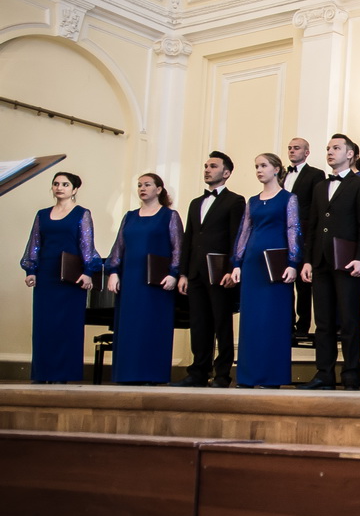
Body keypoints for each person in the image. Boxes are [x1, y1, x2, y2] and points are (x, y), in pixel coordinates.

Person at [299, 134, 360, 390]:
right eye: (328, 148)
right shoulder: (320, 186)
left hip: (347, 261)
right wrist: (308, 260)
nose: (330, 152)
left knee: (349, 320)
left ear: (351, 153)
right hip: (320, 261)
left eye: (336, 148)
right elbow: (313, 226)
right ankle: (324, 374)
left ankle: (351, 374)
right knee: (322, 321)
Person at [227, 153, 300, 388]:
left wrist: (293, 263)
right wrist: (236, 263)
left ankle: (272, 377)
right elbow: (244, 232)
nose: (259, 170)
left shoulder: (288, 198)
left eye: (264, 165)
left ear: (277, 169)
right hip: (252, 265)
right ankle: (248, 377)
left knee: (273, 320)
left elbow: (293, 230)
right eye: (256, 166)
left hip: (275, 266)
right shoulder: (252, 201)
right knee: (251, 321)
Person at [21, 171, 101, 383]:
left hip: (70, 278)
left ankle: (63, 375)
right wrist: (31, 270)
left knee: (67, 326)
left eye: (65, 184)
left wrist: (88, 272)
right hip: (46, 276)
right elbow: (34, 244)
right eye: (56, 184)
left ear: (74, 190)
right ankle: (43, 374)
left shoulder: (82, 213)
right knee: (44, 326)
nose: (59, 187)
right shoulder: (42, 214)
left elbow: (87, 245)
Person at [174, 151, 245, 388]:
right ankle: (197, 372)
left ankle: (222, 374)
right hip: (195, 273)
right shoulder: (196, 203)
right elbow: (188, 238)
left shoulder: (235, 201)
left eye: (213, 166)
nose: (207, 169)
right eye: (205, 166)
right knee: (199, 324)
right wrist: (183, 273)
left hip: (219, 272)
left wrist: (233, 268)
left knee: (222, 324)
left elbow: (237, 237)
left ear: (226, 173)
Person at [105, 173, 183, 384]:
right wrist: (113, 272)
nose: (142, 188)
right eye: (139, 185)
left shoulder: (169, 216)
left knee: (152, 326)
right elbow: (118, 247)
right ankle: (127, 374)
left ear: (158, 189)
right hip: (130, 281)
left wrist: (174, 274)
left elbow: (178, 248)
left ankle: (152, 374)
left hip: (157, 283)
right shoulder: (129, 216)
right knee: (130, 326)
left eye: (147, 185)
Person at [282, 137, 324, 337]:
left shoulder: (316, 174)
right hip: (282, 234)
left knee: (303, 281)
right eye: (290, 148)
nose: (292, 151)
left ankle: (303, 325)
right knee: (284, 279)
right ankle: (286, 323)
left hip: (304, 233)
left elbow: (316, 205)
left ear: (307, 152)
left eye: (296, 148)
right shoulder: (281, 175)